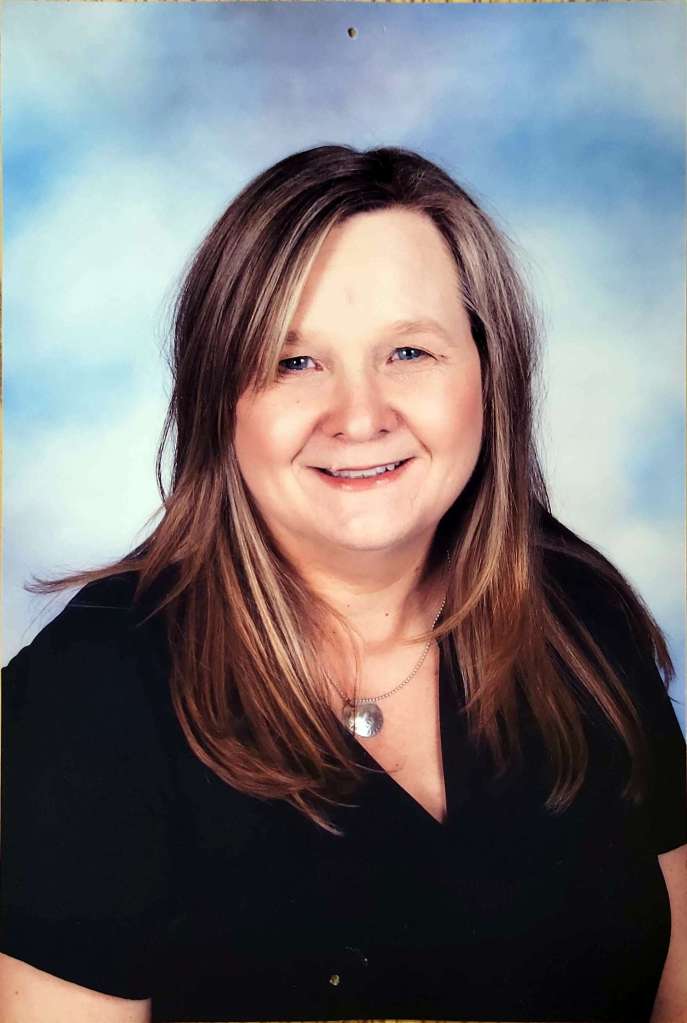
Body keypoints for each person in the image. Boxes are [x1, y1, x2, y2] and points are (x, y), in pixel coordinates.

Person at [1, 144, 685, 1023]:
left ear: (489, 373)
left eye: (407, 350)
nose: (359, 416)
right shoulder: (87, 696)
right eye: (294, 362)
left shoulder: (571, 609)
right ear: (220, 400)